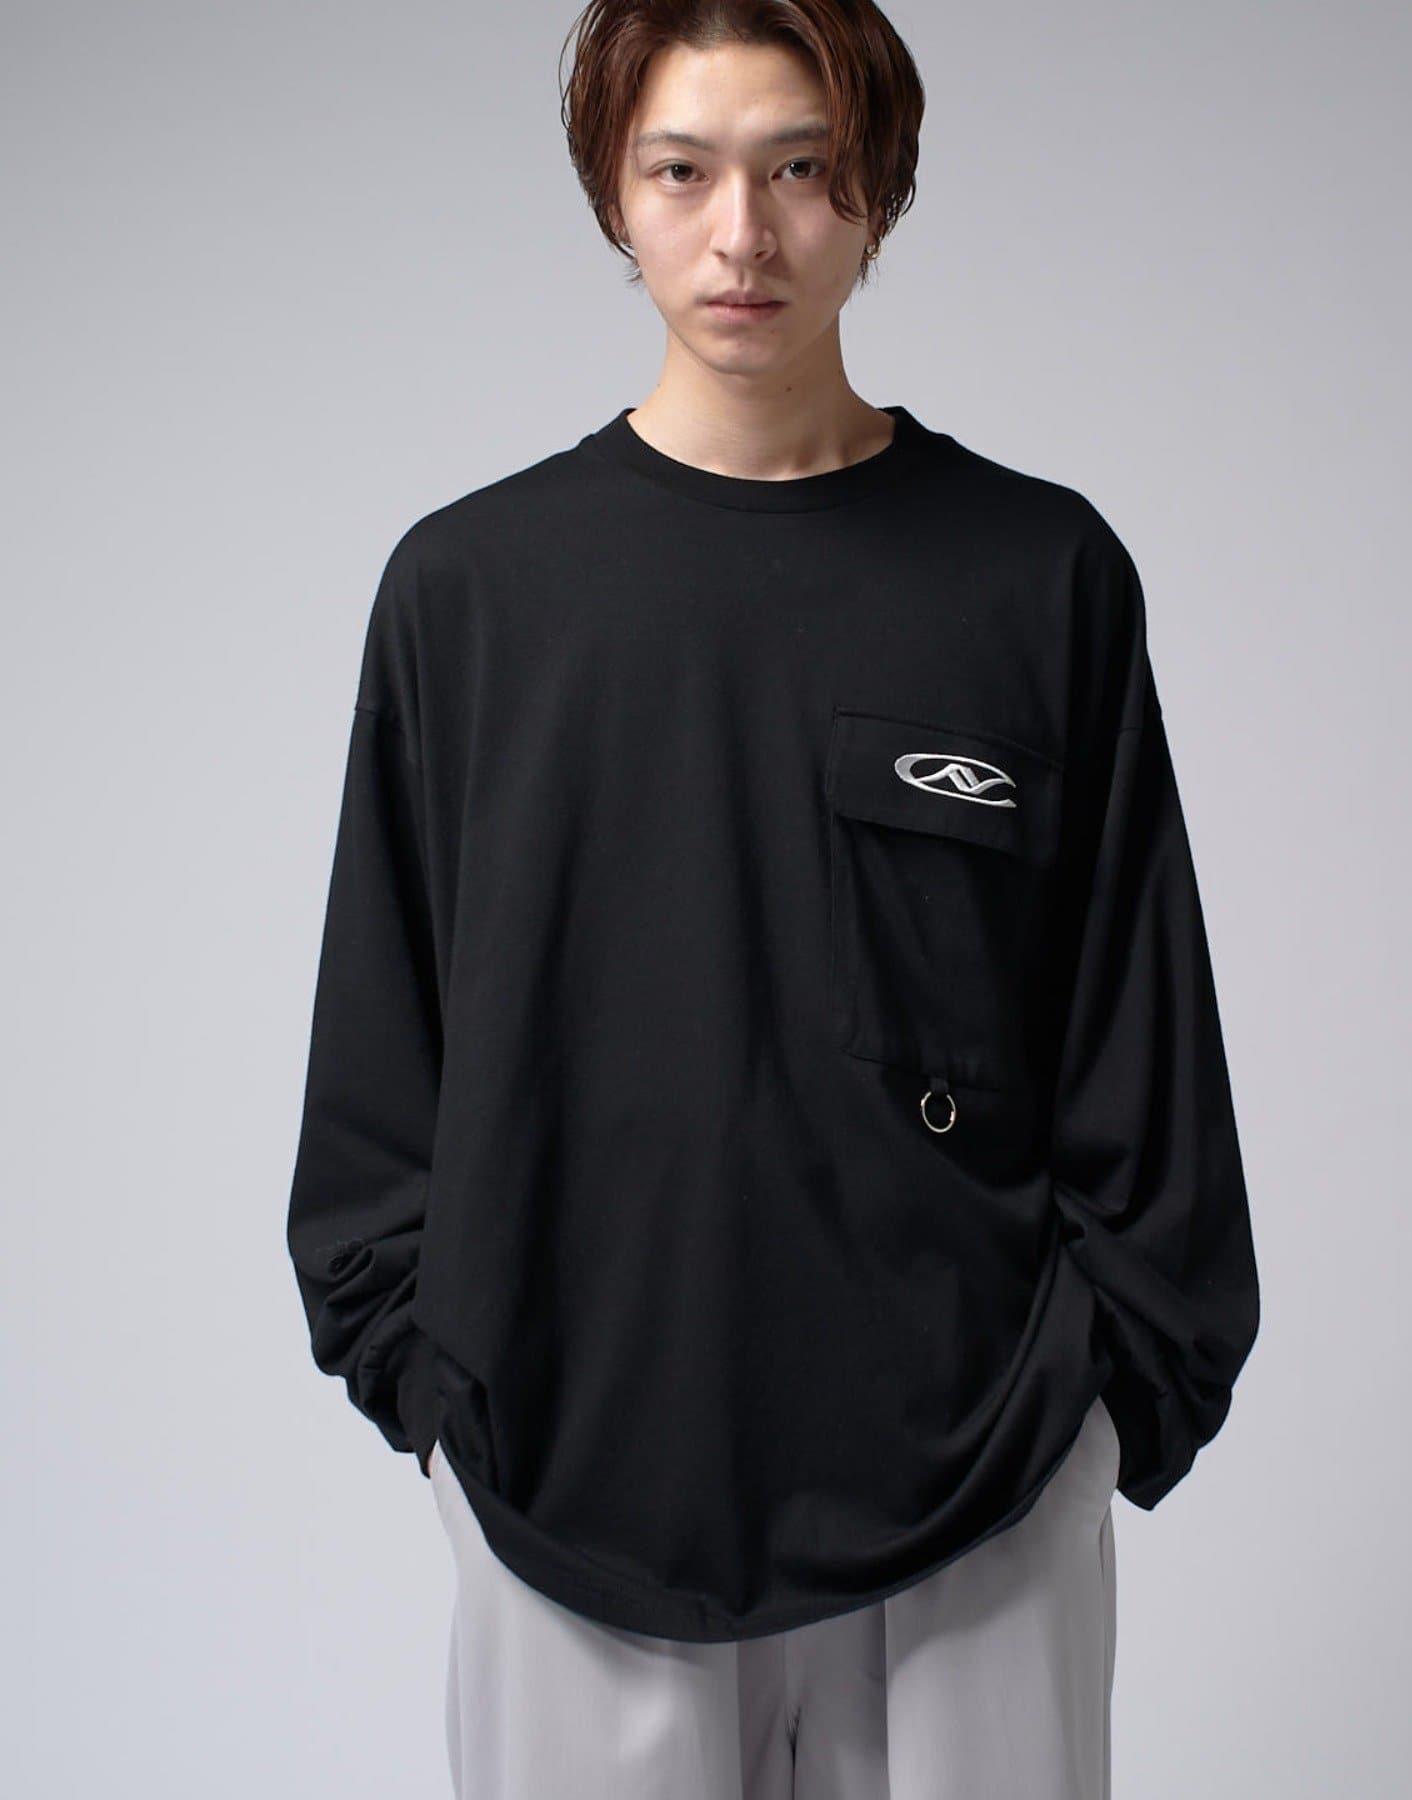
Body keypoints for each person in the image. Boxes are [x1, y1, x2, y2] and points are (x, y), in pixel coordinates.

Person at [285, 2, 1261, 1794]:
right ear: (614, 193)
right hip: (570, 1480)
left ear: (877, 188)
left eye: (802, 169)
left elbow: (1143, 1026)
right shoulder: (474, 594)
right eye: (684, 171)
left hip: (981, 1489)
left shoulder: (1035, 575)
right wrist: (433, 1387)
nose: (743, 234)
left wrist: (1105, 1400)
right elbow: (379, 1055)